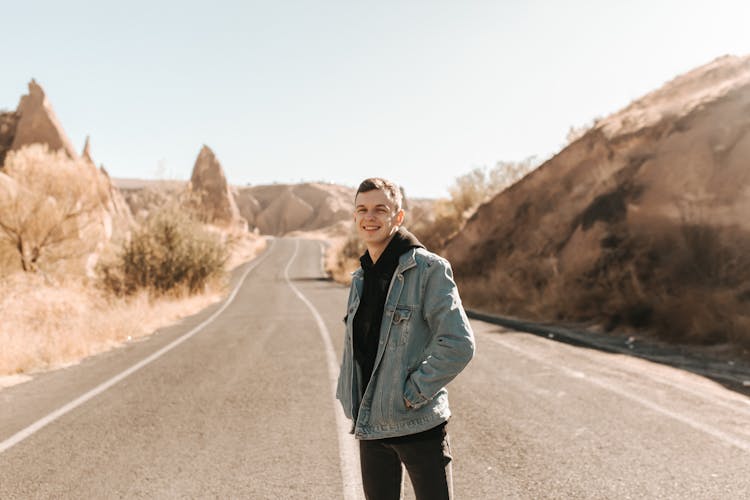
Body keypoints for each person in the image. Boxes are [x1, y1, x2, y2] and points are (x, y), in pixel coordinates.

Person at [336, 177, 475, 500]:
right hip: (370, 425)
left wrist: (412, 393)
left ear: (398, 217)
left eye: (379, 209)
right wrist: (351, 399)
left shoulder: (429, 270)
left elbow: (459, 343)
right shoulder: (359, 277)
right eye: (362, 209)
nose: (369, 217)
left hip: (418, 425)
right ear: (355, 217)